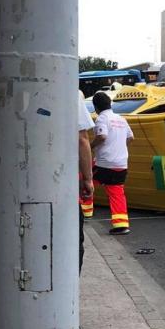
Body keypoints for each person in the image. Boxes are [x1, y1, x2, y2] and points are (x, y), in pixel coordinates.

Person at [90, 91, 133, 236]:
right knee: (116, 193)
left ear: (96, 107)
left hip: (104, 164)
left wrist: (90, 146)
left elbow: (102, 136)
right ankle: (121, 225)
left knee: (84, 181)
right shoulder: (121, 119)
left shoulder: (101, 118)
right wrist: (119, 146)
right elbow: (131, 137)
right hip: (121, 164)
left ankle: (84, 213)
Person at [77, 96, 94, 269]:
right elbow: (82, 138)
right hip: (62, 185)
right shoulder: (68, 89)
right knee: (72, 244)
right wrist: (88, 179)